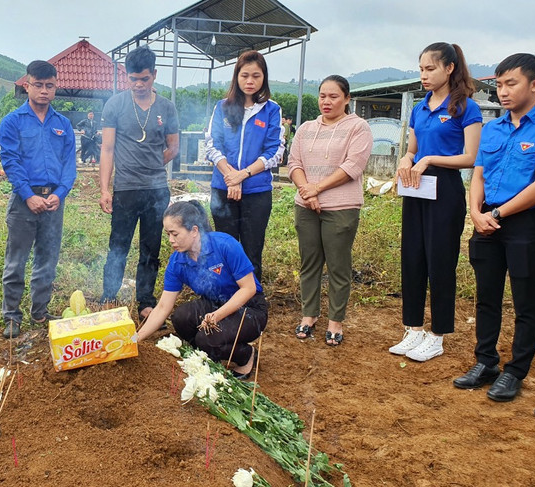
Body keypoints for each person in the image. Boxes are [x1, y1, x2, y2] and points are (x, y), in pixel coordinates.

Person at [453, 54, 535, 401]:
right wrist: (475, 212)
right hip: (486, 220)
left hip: (522, 224)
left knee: (525, 301)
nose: (502, 91)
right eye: (499, 84)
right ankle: (485, 362)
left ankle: (516, 371)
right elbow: (479, 174)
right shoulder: (493, 128)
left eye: (511, 83)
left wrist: (498, 214)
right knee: (487, 297)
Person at [388, 42, 482, 362]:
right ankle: (413, 329)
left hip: (445, 188)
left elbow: (470, 157)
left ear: (449, 68)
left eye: (430, 69)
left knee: (440, 261)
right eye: (421, 69)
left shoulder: (466, 107)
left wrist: (429, 158)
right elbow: (412, 149)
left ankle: (438, 334)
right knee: (412, 257)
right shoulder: (419, 107)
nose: (424, 75)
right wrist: (406, 158)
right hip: (416, 187)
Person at [136, 201, 267, 379]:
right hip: (213, 304)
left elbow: (249, 288)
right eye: (168, 234)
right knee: (180, 318)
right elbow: (162, 307)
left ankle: (246, 355)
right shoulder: (177, 261)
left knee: (206, 339)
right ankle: (211, 349)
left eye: (175, 234)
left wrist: (218, 315)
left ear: (194, 231)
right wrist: (136, 339)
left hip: (248, 308)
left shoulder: (224, 245)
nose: (170, 240)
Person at [289, 75, 372, 346]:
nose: (326, 101)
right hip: (306, 207)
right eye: (323, 95)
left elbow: (352, 166)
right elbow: (294, 164)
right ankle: (309, 315)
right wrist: (306, 190)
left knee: (338, 266)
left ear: (347, 99)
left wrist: (317, 189)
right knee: (309, 263)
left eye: (333, 96)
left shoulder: (358, 127)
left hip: (341, 207)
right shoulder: (305, 129)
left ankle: (336, 320)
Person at [99, 45, 180, 320]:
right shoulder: (115, 105)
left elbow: (173, 147)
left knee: (151, 247)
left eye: (144, 78)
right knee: (118, 245)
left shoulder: (166, 107)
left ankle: (145, 299)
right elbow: (107, 149)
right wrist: (103, 189)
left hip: (157, 191)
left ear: (154, 75)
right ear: (126, 76)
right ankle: (108, 296)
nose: (138, 84)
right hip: (125, 189)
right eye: (133, 79)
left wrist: (154, 166)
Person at [0, 60, 76, 338]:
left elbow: (69, 164)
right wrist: (28, 195)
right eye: (38, 85)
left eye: (49, 86)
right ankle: (11, 315)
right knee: (16, 260)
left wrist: (59, 193)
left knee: (47, 259)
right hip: (24, 202)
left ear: (56, 87)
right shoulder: (12, 122)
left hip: (54, 202)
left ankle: (40, 311)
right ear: (27, 85)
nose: (44, 91)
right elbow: (11, 161)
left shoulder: (63, 124)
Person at [205, 50, 284, 281]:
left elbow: (275, 151)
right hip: (222, 188)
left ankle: (251, 302)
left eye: (256, 76)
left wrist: (243, 175)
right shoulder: (222, 107)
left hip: (257, 192)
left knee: (252, 249)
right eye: (245, 75)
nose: (250, 81)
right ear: (236, 77)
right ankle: (226, 296)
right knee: (225, 247)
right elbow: (212, 144)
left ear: (264, 78)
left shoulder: (272, 110)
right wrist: (231, 176)